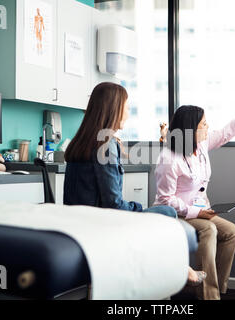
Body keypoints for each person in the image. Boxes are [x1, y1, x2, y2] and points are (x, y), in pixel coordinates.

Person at [64, 82, 206, 286]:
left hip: (81, 221)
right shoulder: (106, 145)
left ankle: (181, 269)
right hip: (100, 223)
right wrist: (140, 209)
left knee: (159, 213)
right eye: (127, 107)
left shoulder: (82, 141)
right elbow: (113, 204)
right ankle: (178, 271)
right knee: (167, 212)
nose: (128, 114)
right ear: (114, 108)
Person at [153, 98, 235, 300]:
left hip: (200, 211)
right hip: (175, 214)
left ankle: (216, 288)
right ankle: (209, 296)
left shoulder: (200, 145)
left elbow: (228, 131)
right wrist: (197, 212)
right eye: (203, 124)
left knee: (231, 232)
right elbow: (165, 200)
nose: (207, 127)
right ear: (191, 128)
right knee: (209, 229)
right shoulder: (169, 158)